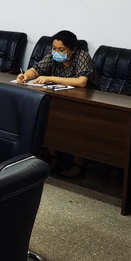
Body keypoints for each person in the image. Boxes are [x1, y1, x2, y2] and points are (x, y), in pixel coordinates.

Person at [17, 29, 94, 178]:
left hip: (85, 102)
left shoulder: (82, 56)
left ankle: (78, 162)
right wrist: (25, 75)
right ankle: (54, 156)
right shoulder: (53, 56)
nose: (56, 52)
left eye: (61, 50)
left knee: (77, 125)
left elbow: (82, 82)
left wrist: (50, 78)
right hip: (61, 97)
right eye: (54, 48)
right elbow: (36, 69)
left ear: (73, 49)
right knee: (47, 116)